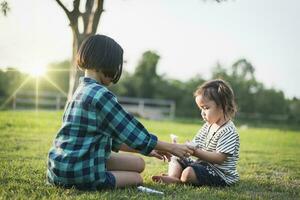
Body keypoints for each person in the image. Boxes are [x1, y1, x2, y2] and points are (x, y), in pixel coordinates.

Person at [47, 34, 193, 190]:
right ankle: (97, 178)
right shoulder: (101, 95)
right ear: (105, 62)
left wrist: (152, 149)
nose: (117, 70)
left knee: (139, 163)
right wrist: (171, 147)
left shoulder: (80, 92)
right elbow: (132, 132)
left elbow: (114, 139)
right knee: (136, 178)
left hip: (60, 167)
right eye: (116, 65)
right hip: (81, 173)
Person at [152, 79, 240, 187]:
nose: (202, 113)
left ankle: (181, 179)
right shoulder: (207, 126)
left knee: (188, 172)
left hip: (219, 174)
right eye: (201, 109)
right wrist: (184, 147)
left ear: (223, 105)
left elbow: (219, 159)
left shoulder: (228, 131)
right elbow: (195, 144)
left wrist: (195, 152)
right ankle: (174, 177)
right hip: (201, 165)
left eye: (206, 108)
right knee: (177, 158)